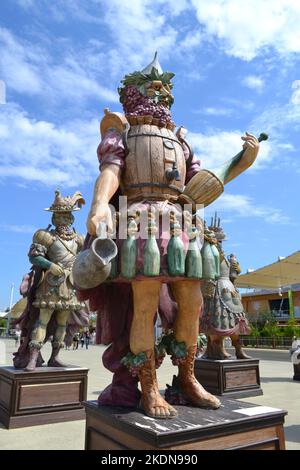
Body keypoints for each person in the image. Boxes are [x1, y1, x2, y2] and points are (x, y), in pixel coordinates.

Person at [77, 53, 261, 419]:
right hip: (139, 220)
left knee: (192, 304)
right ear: (133, 92)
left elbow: (197, 183)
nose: (161, 93)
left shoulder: (181, 139)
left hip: (181, 222)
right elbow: (111, 171)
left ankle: (188, 377)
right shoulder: (122, 132)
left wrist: (242, 162)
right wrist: (99, 204)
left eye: (165, 89)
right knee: (144, 305)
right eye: (152, 87)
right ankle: (148, 387)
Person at [13, 190, 89, 371]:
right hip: (50, 283)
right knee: (42, 321)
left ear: (71, 218)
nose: (62, 219)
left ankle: (55, 357)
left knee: (62, 322)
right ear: (54, 218)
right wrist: (50, 264)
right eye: (59, 216)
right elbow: (34, 257)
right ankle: (33, 357)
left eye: (66, 216)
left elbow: (85, 259)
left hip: (70, 284)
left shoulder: (79, 239)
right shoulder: (45, 236)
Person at [201, 214, 251, 360]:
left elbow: (232, 277)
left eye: (221, 241)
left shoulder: (224, 256)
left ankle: (239, 350)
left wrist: (235, 268)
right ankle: (216, 349)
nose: (220, 243)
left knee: (235, 320)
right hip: (216, 290)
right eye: (218, 240)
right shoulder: (208, 253)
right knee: (218, 322)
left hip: (230, 291)